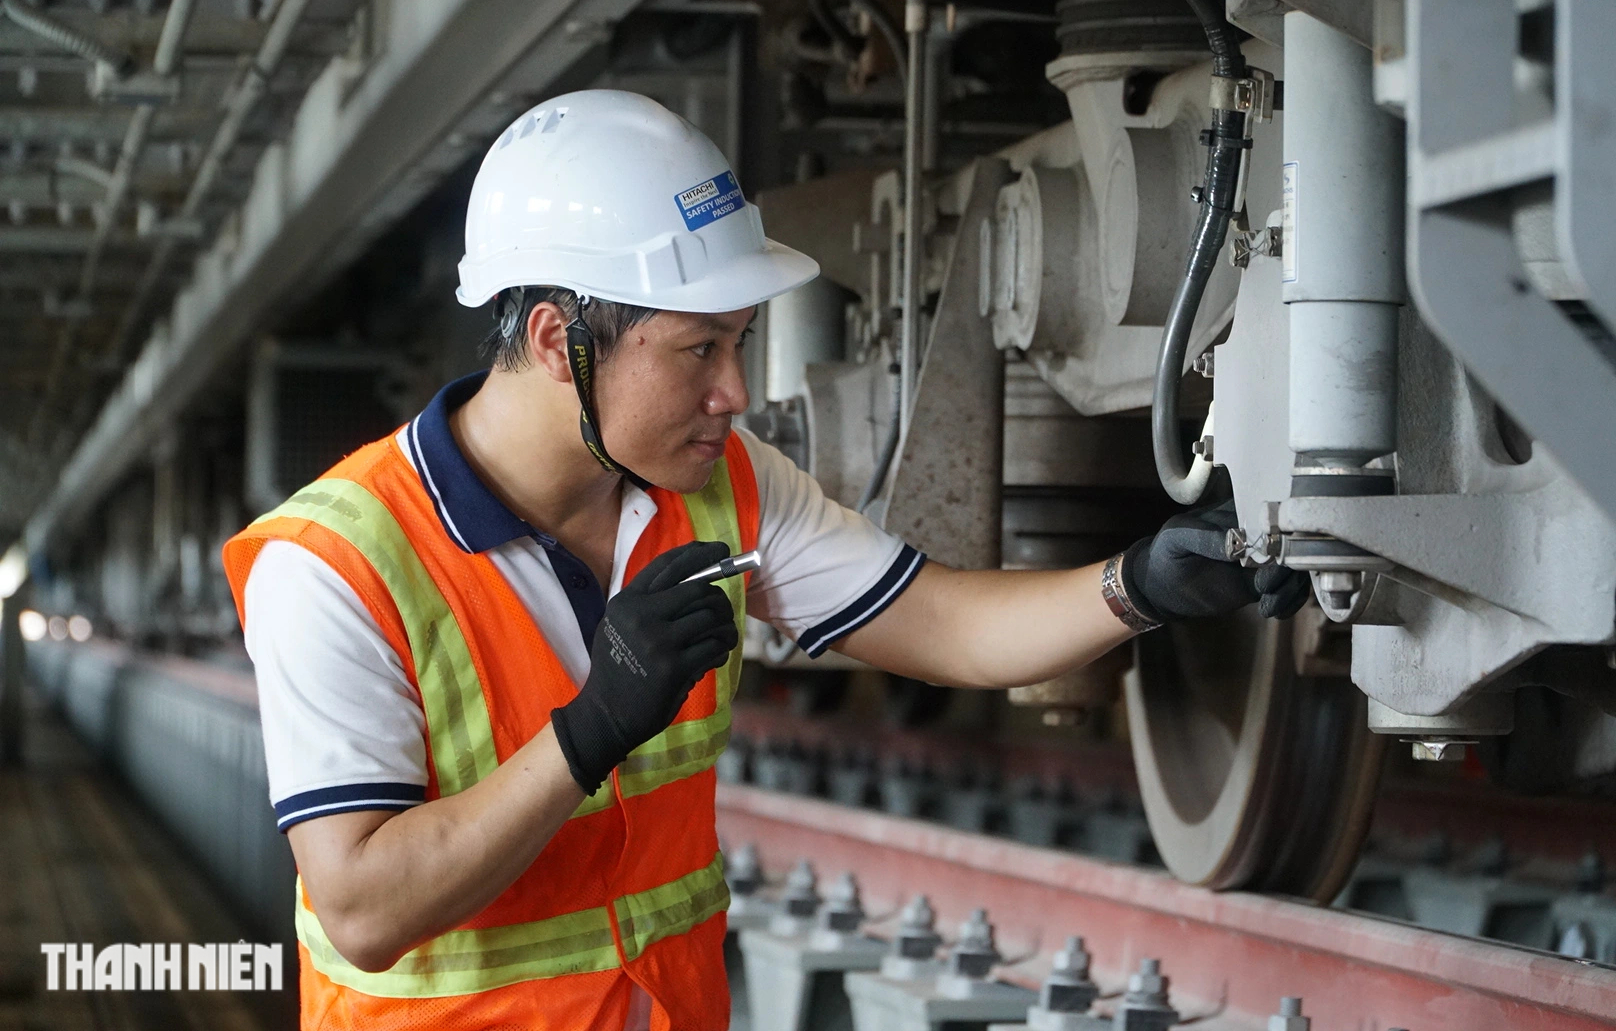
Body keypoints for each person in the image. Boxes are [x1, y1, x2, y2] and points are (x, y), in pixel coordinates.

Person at [222, 89, 1306, 1031]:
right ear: (558, 341)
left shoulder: (718, 482)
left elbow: (946, 627)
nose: (734, 392)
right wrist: (591, 730)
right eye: (700, 348)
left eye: (737, 342)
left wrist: (1141, 585)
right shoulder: (335, 565)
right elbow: (363, 909)